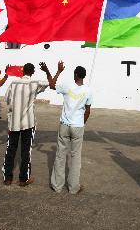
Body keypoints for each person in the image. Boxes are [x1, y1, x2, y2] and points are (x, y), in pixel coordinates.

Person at [2, 62, 59, 186]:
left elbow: (7, 99)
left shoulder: (14, 83)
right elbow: (52, 83)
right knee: (25, 150)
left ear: (23, 72)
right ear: (32, 72)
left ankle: (7, 178)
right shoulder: (35, 83)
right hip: (28, 122)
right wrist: (47, 70)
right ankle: (23, 179)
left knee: (10, 149)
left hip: (13, 122)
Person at [50, 63, 93, 195]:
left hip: (64, 125)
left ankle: (57, 186)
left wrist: (58, 71)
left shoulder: (68, 86)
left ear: (75, 75)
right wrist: (81, 123)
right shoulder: (88, 91)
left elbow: (52, 85)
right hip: (77, 126)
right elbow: (88, 111)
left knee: (60, 155)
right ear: (83, 77)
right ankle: (74, 187)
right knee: (76, 157)